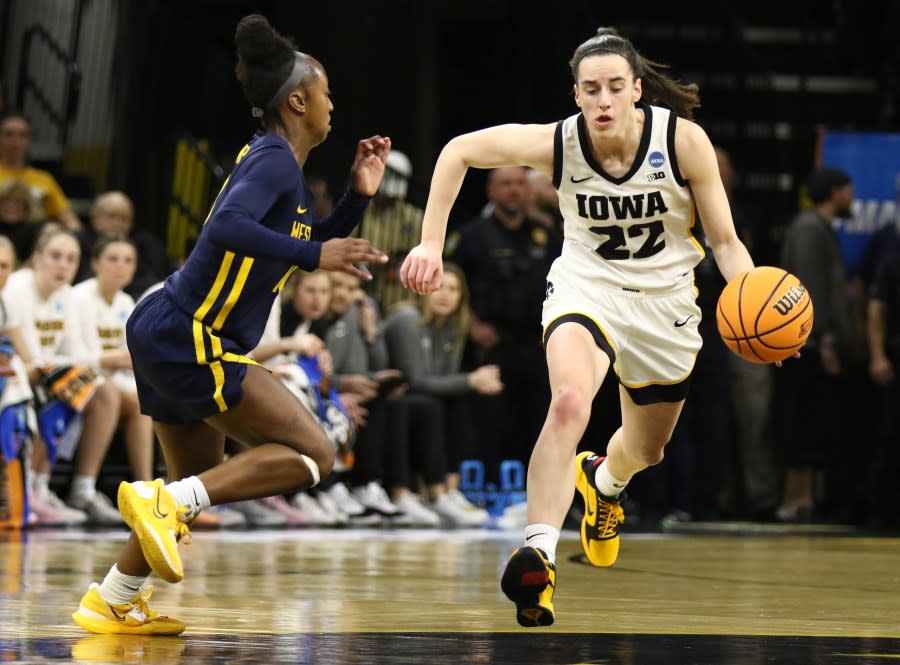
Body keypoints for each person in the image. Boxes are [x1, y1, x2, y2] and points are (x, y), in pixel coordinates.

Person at [401, 26, 755, 626]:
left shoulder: (683, 141)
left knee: (649, 448)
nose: (604, 100)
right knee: (569, 402)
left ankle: (604, 480)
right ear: (576, 94)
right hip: (585, 289)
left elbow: (723, 240)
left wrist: (751, 296)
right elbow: (458, 150)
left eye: (616, 86)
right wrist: (430, 243)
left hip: (666, 302)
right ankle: (538, 551)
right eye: (592, 89)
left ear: (638, 90)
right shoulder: (559, 145)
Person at [71, 14, 388, 636]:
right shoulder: (272, 160)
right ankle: (164, 505)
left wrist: (356, 198)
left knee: (191, 484)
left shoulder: (280, 169)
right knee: (316, 452)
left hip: (171, 331)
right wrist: (315, 255)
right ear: (298, 101)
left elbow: (298, 238)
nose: (332, 104)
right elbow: (226, 230)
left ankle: (111, 599)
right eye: (325, 93)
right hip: (192, 333)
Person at [4, 230, 127, 526]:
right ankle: (31, 484)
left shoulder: (66, 295)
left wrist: (80, 365)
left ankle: (74, 488)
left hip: (41, 372)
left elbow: (75, 353)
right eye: (56, 257)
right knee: (69, 383)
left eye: (71, 259)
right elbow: (31, 356)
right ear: (36, 259)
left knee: (98, 390)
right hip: (20, 373)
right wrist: (106, 361)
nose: (63, 266)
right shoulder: (17, 288)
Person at [448, 166, 562, 481]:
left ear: (528, 191)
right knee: (491, 422)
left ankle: (535, 490)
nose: (514, 190)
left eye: (519, 184)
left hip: (536, 344)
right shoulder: (471, 236)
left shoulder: (547, 237)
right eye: (506, 184)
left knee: (539, 421)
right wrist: (471, 324)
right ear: (491, 191)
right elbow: (450, 283)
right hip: (490, 344)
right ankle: (493, 489)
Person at [383, 262, 501, 526]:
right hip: (387, 398)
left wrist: (469, 383)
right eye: (438, 286)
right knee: (432, 404)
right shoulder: (407, 319)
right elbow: (417, 380)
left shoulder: (451, 327)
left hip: (418, 398)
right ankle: (433, 493)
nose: (445, 294)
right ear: (423, 289)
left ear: (461, 298)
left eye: (453, 289)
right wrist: (472, 379)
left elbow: (442, 379)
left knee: (458, 402)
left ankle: (450, 490)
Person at [776, 167, 854, 522]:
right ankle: (794, 500)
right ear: (834, 193)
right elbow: (805, 290)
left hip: (812, 342)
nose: (851, 198)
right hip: (803, 345)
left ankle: (803, 497)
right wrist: (822, 340)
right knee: (800, 422)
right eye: (847, 190)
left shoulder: (819, 228)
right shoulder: (809, 228)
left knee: (811, 422)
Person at [71, 236, 154, 482]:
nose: (121, 266)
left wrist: (121, 359)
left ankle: (147, 486)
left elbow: (128, 358)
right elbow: (78, 356)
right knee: (113, 393)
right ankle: (83, 486)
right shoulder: (79, 297)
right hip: (79, 377)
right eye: (113, 259)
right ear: (95, 263)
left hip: (110, 380)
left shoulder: (125, 301)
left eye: (128, 260)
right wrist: (116, 358)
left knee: (144, 401)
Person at [353, 150, 425, 315]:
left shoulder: (414, 217)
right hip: (364, 289)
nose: (388, 198)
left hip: (402, 295)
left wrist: (395, 258)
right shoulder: (359, 213)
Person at [75, 191, 174, 300]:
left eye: (124, 219)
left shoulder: (142, 244)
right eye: (112, 216)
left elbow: (151, 281)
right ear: (95, 218)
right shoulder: (77, 242)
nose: (117, 223)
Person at [0, 112, 81, 231]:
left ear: (29, 141)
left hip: (34, 239)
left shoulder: (44, 179)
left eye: (22, 135)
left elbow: (68, 218)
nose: (15, 141)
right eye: (9, 134)